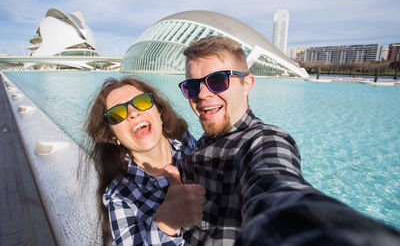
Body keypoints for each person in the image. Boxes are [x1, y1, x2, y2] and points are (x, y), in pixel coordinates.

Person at [178, 36, 400, 245]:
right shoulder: (207, 139)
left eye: (217, 81)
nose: (202, 94)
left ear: (247, 84)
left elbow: (276, 187)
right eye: (192, 86)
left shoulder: (262, 141)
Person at [82, 77, 206, 246]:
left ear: (159, 113)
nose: (133, 113)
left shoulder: (185, 141)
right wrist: (166, 225)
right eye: (117, 114)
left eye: (141, 101)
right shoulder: (120, 196)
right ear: (113, 136)